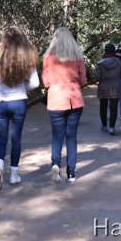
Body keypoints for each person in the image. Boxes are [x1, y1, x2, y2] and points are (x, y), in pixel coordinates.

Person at [0, 26, 40, 189]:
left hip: (1, 102)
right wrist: (23, 87)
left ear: (4, 39)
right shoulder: (27, 56)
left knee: (1, 137)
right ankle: (14, 175)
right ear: (21, 39)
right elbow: (35, 83)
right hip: (19, 102)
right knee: (16, 138)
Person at [42, 27, 87, 183]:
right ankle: (71, 173)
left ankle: (55, 164)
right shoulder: (77, 57)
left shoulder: (48, 58)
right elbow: (84, 80)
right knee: (71, 137)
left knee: (57, 136)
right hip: (74, 100)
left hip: (55, 100)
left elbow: (46, 82)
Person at [94, 43, 121, 135]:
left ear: (105, 51)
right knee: (113, 108)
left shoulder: (100, 63)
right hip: (115, 87)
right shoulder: (119, 62)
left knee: (103, 107)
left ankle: (104, 125)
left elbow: (97, 77)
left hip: (103, 87)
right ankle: (112, 127)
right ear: (114, 51)